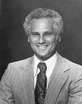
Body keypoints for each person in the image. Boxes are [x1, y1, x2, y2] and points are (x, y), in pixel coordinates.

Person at [0, 8, 82, 104]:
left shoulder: (77, 73)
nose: (41, 40)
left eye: (47, 34)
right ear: (28, 38)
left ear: (58, 36)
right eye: (35, 34)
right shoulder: (12, 70)